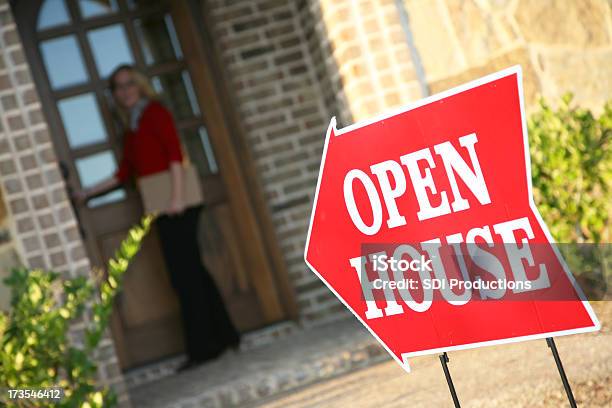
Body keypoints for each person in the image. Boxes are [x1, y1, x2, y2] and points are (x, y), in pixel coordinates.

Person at [74, 64, 240, 371]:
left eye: (128, 85)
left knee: (184, 276)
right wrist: (88, 192)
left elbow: (174, 155)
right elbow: (125, 172)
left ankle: (204, 349)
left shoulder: (155, 113)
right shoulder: (132, 127)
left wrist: (176, 197)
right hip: (162, 206)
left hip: (178, 205)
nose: (124, 91)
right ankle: (225, 336)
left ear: (139, 86)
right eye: (118, 88)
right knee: (192, 273)